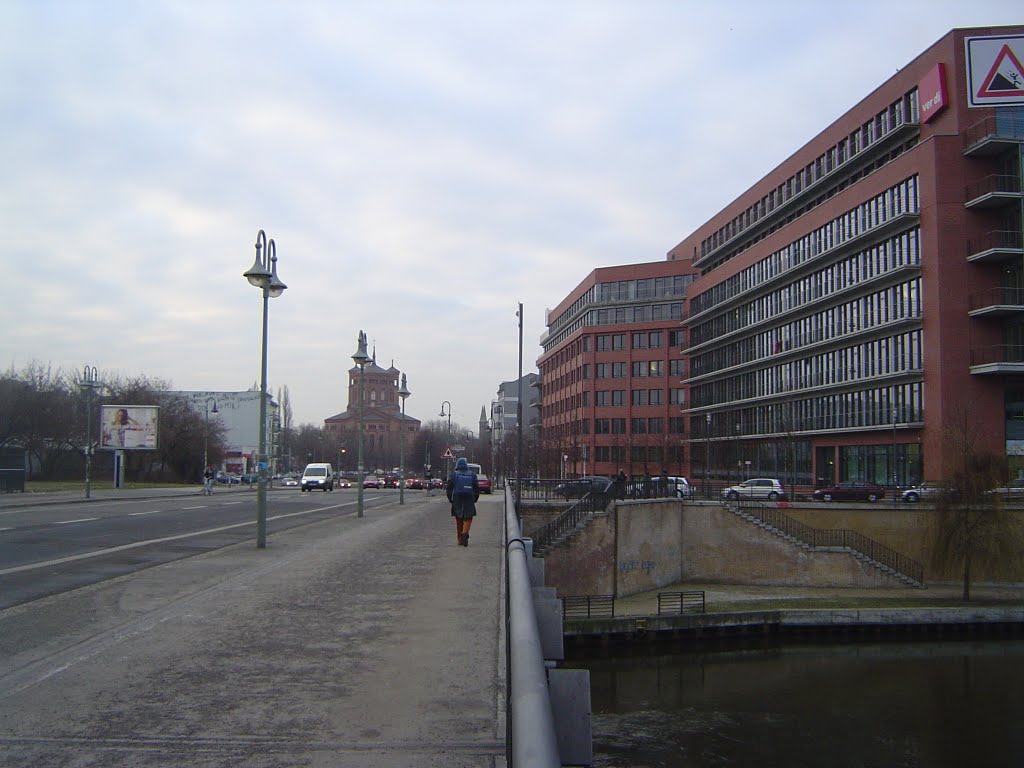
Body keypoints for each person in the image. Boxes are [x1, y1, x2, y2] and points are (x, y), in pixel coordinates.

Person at [446, 457, 480, 546]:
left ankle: (460, 539)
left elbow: (449, 488)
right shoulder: (472, 475)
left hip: (457, 497)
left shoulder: (454, 475)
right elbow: (476, 488)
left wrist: (450, 499)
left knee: (458, 517)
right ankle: (464, 534)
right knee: (468, 517)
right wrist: (475, 499)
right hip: (469, 497)